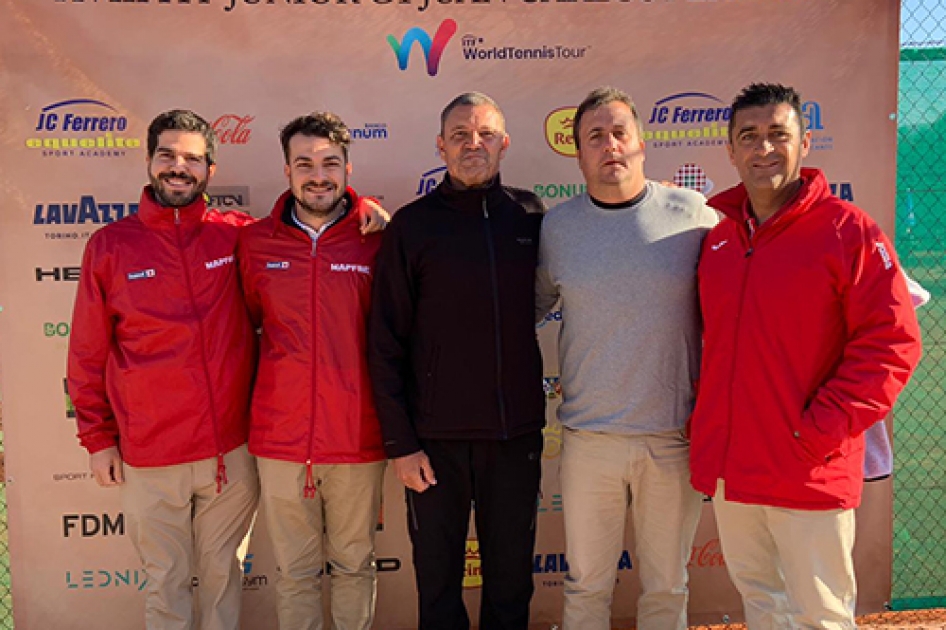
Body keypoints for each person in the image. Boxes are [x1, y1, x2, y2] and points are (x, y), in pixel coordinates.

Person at [690, 83, 922, 629]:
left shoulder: (849, 230)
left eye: (778, 134)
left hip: (808, 469)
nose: (763, 148)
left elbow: (893, 344)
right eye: (749, 136)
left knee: (821, 615)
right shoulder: (720, 240)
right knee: (762, 606)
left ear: (805, 142)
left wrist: (821, 429)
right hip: (734, 471)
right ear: (730, 149)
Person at [68, 109, 260, 630]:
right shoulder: (109, 246)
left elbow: (306, 240)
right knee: (165, 584)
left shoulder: (236, 235)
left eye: (192, 158)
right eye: (168, 155)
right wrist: (97, 438)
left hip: (230, 450)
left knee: (223, 579)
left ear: (210, 170)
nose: (179, 167)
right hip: (150, 453)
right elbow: (86, 354)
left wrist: (363, 208)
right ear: (150, 160)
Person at [535, 86, 718, 630]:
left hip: (673, 440)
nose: (609, 145)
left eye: (619, 133)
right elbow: (522, 309)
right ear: (578, 153)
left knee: (667, 588)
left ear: (641, 143)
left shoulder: (693, 216)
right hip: (590, 441)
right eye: (595, 136)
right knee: (585, 587)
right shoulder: (557, 228)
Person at [368, 92, 546, 630]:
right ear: (441, 145)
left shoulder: (531, 215)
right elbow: (384, 341)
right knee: (439, 586)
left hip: (514, 438)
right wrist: (401, 444)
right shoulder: (412, 226)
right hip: (434, 444)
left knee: (511, 584)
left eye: (486, 133)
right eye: (461, 135)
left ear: (504, 143)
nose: (475, 144)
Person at [237, 112, 386, 630]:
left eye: (329, 162)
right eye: (305, 163)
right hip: (280, 441)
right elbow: (250, 326)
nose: (317, 175)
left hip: (357, 436)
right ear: (286, 171)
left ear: (348, 167)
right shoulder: (255, 244)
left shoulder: (379, 238)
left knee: (354, 567)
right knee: (296, 573)